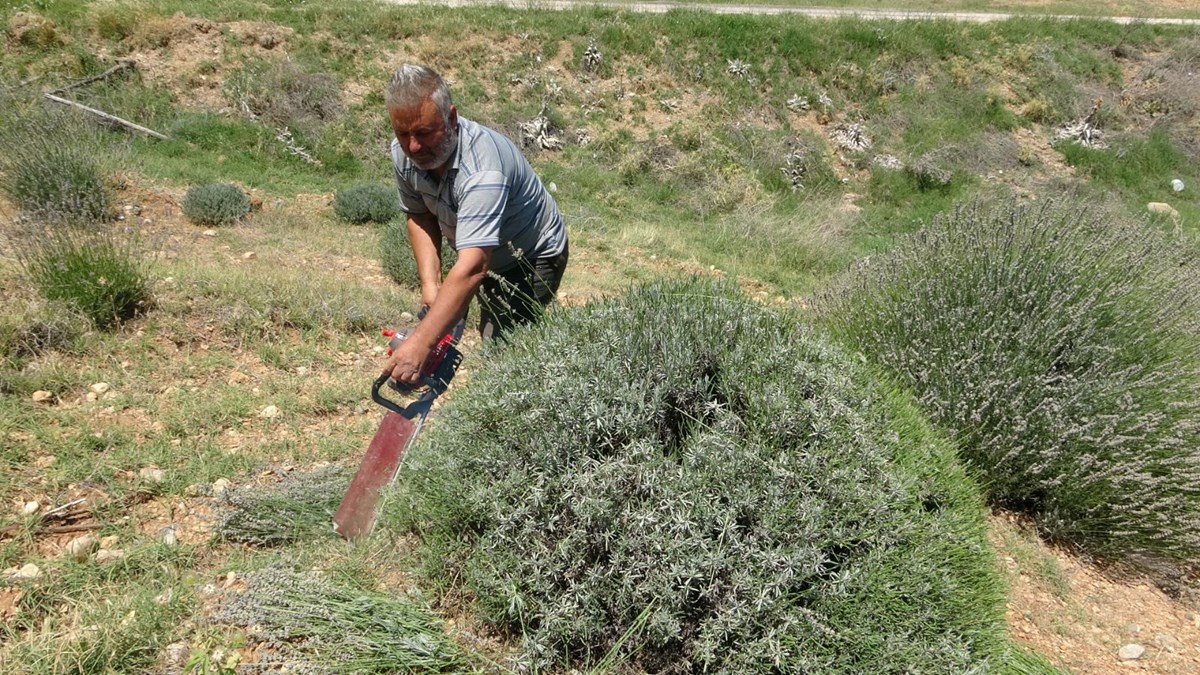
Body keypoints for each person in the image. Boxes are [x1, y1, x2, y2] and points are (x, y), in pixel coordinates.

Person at [381, 64, 569, 388]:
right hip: (479, 250)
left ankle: (534, 407)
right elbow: (420, 215)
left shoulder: (482, 170)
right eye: (403, 134)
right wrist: (431, 287)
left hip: (532, 254)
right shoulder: (404, 153)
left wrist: (421, 343)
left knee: (504, 347)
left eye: (424, 133)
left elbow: (472, 267)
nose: (413, 147)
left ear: (451, 118)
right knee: (450, 319)